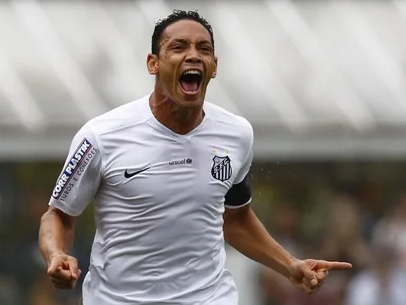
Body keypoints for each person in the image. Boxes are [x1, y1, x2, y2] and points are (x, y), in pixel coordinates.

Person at [38, 10, 352, 305]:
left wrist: (289, 266)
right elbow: (59, 215)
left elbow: (236, 218)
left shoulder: (237, 134)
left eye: (203, 49)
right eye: (178, 47)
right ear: (153, 63)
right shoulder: (101, 136)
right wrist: (56, 254)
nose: (193, 55)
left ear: (214, 66)